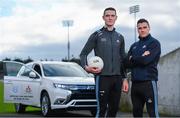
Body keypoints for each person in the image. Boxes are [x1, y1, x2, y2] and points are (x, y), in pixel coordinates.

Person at [80, 7, 129, 117]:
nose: (110, 18)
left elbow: (122, 59)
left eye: (112, 16)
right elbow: (83, 54)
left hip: (117, 78)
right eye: (107, 15)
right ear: (103, 18)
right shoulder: (96, 35)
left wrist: (124, 78)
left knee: (114, 109)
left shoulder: (120, 37)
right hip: (102, 78)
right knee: (101, 109)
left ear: (116, 18)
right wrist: (86, 67)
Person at [124, 18, 161, 117]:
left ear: (149, 28)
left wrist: (133, 58)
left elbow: (146, 61)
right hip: (135, 85)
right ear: (137, 29)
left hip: (148, 83)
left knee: (153, 113)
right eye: (140, 28)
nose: (142, 30)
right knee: (136, 113)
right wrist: (141, 56)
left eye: (145, 27)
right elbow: (126, 63)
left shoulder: (154, 43)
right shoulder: (134, 46)